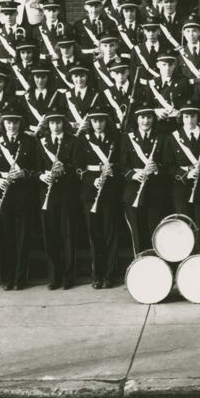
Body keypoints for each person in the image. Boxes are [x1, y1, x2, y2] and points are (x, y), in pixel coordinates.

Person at [0, 109, 38, 291]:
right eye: (8, 122)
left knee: (22, 237)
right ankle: (6, 278)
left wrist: (25, 173)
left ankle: (20, 277)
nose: (12, 125)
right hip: (2, 194)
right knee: (4, 238)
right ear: (3, 124)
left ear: (20, 123)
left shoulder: (29, 142)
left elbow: (37, 166)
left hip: (23, 194)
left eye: (15, 122)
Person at [78, 109, 124, 289]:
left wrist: (114, 171)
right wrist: (92, 180)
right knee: (94, 235)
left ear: (107, 121)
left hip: (111, 192)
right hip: (91, 194)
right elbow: (77, 166)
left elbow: (123, 161)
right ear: (90, 121)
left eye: (102, 120)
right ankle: (96, 275)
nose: (98, 124)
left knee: (110, 235)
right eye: (95, 120)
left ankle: (109, 275)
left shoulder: (115, 137)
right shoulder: (83, 138)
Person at [36, 111, 80, 289]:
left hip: (67, 193)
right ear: (48, 124)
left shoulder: (73, 140)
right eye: (52, 122)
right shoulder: (41, 142)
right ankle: (54, 276)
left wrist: (66, 168)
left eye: (58, 122)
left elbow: (78, 166)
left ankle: (69, 277)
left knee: (68, 235)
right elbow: (35, 167)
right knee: (50, 235)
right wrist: (41, 176)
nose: (55, 126)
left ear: (63, 123)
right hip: (47, 193)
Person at [164, 105, 200, 247]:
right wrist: (185, 174)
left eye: (193, 116)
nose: (190, 120)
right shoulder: (173, 137)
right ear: (181, 118)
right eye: (186, 116)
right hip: (181, 189)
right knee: (184, 227)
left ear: (198, 117)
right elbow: (168, 166)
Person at [120, 106, 166, 252]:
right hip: (133, 191)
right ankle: (139, 266)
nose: (146, 121)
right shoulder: (128, 137)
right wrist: (133, 175)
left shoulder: (161, 137)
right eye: (142, 117)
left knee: (154, 231)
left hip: (155, 192)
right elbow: (122, 164)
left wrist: (157, 168)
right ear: (136, 119)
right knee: (137, 234)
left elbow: (169, 162)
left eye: (149, 117)